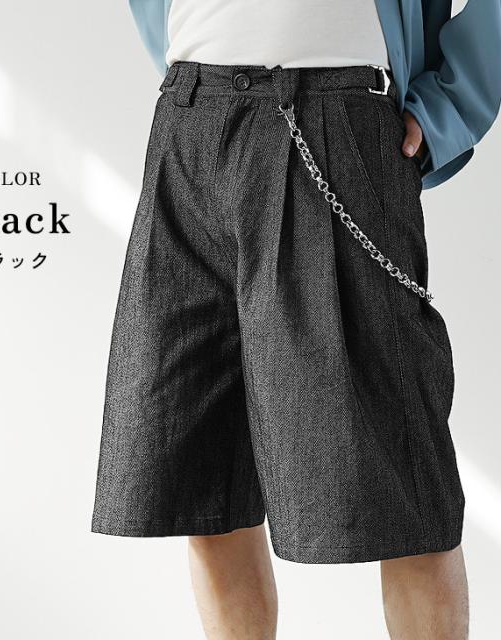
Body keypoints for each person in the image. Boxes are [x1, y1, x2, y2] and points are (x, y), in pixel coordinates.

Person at [92, 1, 501, 638]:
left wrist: (451, 104)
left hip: (339, 116)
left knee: (406, 487)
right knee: (205, 484)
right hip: (189, 117)